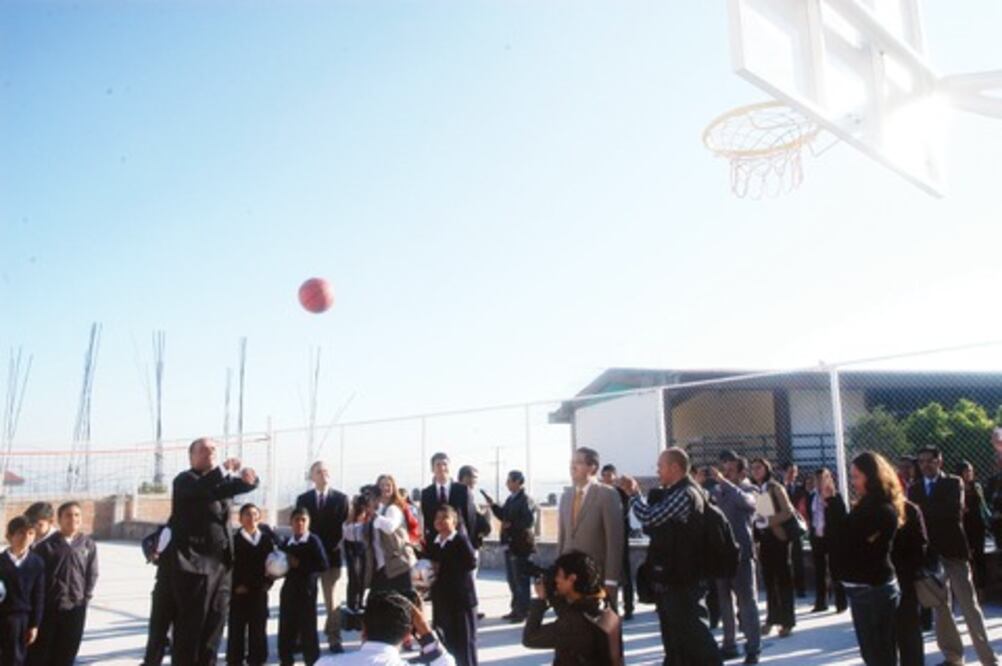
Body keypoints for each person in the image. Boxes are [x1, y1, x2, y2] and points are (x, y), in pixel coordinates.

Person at [621, 448, 722, 666]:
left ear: (675, 467)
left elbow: (649, 517)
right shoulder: (681, 492)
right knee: (676, 638)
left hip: (684, 579)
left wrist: (634, 494)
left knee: (694, 635)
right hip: (676, 576)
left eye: (660, 466)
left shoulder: (685, 494)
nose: (657, 471)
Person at [169, 437, 258, 666]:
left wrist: (250, 480)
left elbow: (231, 487)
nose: (210, 453)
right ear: (192, 456)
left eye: (214, 450)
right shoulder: (185, 481)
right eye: (204, 450)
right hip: (195, 568)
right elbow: (203, 488)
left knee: (214, 627)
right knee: (191, 629)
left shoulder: (216, 484)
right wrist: (224, 469)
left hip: (222, 568)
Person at [908, 445, 997, 666]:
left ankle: (988, 659)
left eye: (930, 460)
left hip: (954, 554)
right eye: (921, 461)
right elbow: (913, 519)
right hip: (930, 556)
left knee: (969, 607)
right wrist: (925, 512)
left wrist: (923, 510)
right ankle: (953, 656)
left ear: (940, 461)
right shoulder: (914, 488)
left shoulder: (953, 482)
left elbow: (951, 511)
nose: (925, 465)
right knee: (941, 609)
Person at [827, 451, 903, 666]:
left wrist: (835, 507)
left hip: (875, 588)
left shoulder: (882, 509)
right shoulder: (864, 505)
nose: (853, 482)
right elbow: (842, 535)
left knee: (881, 653)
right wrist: (833, 501)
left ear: (872, 476)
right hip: (859, 587)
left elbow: (851, 541)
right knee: (870, 653)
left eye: (857, 476)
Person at [522, 550, 623, 666]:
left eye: (559, 576)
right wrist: (552, 594)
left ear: (572, 578)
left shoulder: (575, 623)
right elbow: (572, 611)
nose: (556, 580)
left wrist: (540, 601)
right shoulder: (603, 603)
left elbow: (530, 638)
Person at [29, 501, 97, 666]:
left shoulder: (88, 544)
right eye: (68, 515)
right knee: (46, 652)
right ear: (59, 520)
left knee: (68, 651)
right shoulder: (46, 547)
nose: (73, 519)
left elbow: (92, 573)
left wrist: (85, 597)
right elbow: (36, 580)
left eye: (77, 515)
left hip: (75, 608)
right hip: (51, 609)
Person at [557, 448, 624, 611]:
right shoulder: (566, 496)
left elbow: (614, 542)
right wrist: (558, 573)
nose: (572, 467)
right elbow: (563, 538)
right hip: (570, 581)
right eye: (571, 463)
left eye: (578, 463)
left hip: (596, 580)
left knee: (600, 631)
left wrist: (611, 581)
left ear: (592, 467)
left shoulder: (607, 494)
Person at [295, 461, 351, 654]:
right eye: (319, 472)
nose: (323, 474)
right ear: (312, 477)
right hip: (309, 558)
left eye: (326, 471)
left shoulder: (341, 499)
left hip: (332, 556)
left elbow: (343, 528)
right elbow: (300, 528)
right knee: (306, 598)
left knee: (332, 600)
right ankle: (303, 637)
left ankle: (334, 638)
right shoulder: (303, 499)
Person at [710, 457, 761, 664]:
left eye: (731, 469)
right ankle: (729, 643)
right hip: (722, 555)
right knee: (724, 601)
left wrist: (725, 484)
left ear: (741, 472)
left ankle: (753, 647)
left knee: (747, 602)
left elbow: (753, 507)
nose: (726, 473)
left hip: (743, 554)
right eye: (725, 469)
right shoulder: (719, 492)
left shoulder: (751, 490)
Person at [316, 591, 456, 666]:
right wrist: (423, 627)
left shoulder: (326, 663)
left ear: (364, 629)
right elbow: (445, 662)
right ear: (408, 635)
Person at [345, 475, 416, 596]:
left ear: (394, 488)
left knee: (401, 606)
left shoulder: (393, 509)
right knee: (380, 606)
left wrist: (373, 514)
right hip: (381, 568)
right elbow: (351, 535)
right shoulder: (375, 511)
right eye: (381, 485)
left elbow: (389, 527)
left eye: (388, 485)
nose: (385, 488)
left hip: (398, 566)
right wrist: (355, 512)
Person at [750, 458, 796, 638]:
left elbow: (788, 511)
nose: (755, 471)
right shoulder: (756, 489)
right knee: (769, 580)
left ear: (767, 469)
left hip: (779, 538)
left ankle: (787, 621)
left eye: (759, 467)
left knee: (783, 579)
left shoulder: (775, 487)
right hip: (764, 540)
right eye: (753, 468)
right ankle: (771, 618)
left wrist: (768, 522)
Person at [226, 503, 277, 666]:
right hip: (239, 593)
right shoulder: (233, 541)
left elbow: (273, 565)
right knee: (236, 631)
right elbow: (226, 567)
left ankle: (257, 660)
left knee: (258, 630)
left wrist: (268, 583)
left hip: (259, 592)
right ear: (240, 519)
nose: (251, 518)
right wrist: (235, 586)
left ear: (259, 518)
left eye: (255, 514)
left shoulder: (266, 541)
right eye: (247, 514)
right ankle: (235, 660)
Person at [278, 508, 330, 666]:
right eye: (296, 520)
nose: (300, 523)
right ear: (291, 522)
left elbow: (323, 565)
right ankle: (286, 660)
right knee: (286, 628)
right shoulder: (287, 542)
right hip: (289, 591)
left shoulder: (313, 541)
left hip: (307, 592)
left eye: (303, 520)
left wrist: (300, 564)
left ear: (308, 523)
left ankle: (312, 661)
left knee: (308, 630)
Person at [427, 506, 478, 666]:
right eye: (437, 518)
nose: (440, 522)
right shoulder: (434, 542)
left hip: (461, 600)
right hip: (441, 599)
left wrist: (446, 567)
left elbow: (471, 562)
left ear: (454, 521)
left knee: (464, 642)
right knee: (444, 640)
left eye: (445, 518)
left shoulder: (460, 540)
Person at [485, 470, 536, 623]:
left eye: (509, 481)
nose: (507, 484)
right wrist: (493, 505)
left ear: (517, 482)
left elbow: (528, 521)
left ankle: (523, 611)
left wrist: (511, 525)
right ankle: (516, 608)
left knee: (521, 579)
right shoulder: (511, 499)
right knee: (513, 580)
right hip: (510, 544)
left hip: (520, 545)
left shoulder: (525, 499)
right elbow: (504, 515)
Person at [0, 516, 44, 666]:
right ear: (9, 536)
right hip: (2, 617)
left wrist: (35, 625)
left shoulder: (36, 562)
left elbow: (38, 595)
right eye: (21, 533)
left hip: (22, 620)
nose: (26, 537)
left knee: (17, 659)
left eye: (31, 533)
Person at [892, 497, 929, 666]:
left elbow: (920, 546)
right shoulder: (867, 510)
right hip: (884, 582)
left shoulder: (908, 509)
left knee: (909, 633)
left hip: (904, 580)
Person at [806, 468, 847, 613]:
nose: (819, 482)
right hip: (818, 536)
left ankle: (841, 603)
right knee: (819, 571)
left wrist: (828, 503)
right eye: (817, 479)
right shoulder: (812, 497)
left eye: (823, 478)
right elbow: (810, 516)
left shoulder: (836, 497)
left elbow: (842, 517)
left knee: (836, 570)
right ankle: (820, 602)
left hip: (833, 538)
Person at [600, 464, 635, 621]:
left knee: (625, 574)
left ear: (615, 476)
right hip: (602, 540)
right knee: (604, 574)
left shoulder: (621, 493)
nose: (608, 478)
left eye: (610, 475)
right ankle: (607, 605)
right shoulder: (598, 493)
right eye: (605, 475)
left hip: (620, 538)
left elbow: (625, 512)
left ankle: (629, 607)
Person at [421, 454, 478, 547]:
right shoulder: (426, 493)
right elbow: (427, 522)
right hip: (436, 544)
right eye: (438, 465)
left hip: (459, 544)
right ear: (432, 469)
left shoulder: (462, 490)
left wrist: (470, 544)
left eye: (445, 464)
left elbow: (470, 520)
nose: (442, 468)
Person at [141, 524, 174, 666]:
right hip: (165, 584)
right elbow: (147, 541)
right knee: (158, 629)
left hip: (186, 587)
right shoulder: (167, 529)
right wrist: (152, 555)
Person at [956, 460, 989, 593]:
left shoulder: (977, 486)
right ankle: (968, 589)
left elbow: (983, 506)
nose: (969, 473)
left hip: (977, 525)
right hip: (963, 526)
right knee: (966, 558)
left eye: (971, 471)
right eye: (966, 471)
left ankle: (982, 588)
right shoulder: (956, 486)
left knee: (979, 555)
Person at [780, 463, 807, 598]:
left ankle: (800, 588)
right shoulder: (778, 487)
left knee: (798, 558)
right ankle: (786, 587)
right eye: (790, 472)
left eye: (795, 472)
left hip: (795, 527)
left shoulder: (800, 488)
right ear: (783, 472)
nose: (793, 475)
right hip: (781, 527)